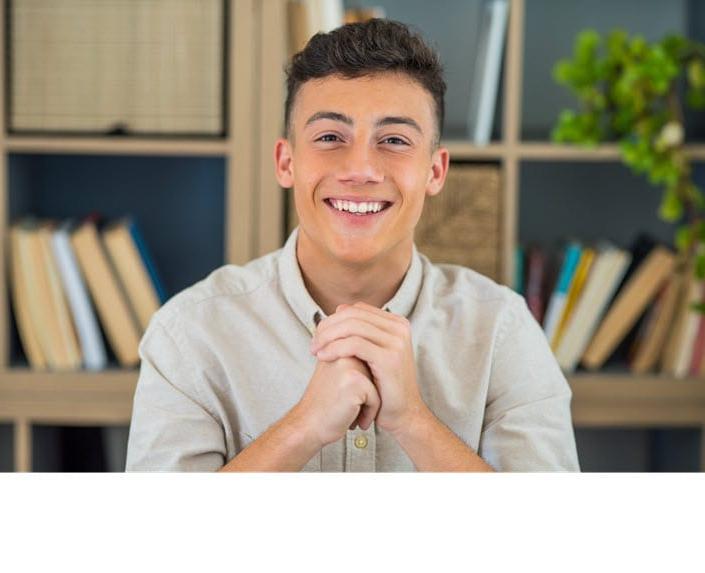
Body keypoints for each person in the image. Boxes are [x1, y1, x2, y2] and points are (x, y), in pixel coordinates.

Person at [126, 19, 579, 472]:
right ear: (287, 162)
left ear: (435, 172)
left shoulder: (502, 330)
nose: (360, 168)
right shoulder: (189, 334)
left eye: (395, 140)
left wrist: (413, 421)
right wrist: (304, 428)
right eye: (329, 137)